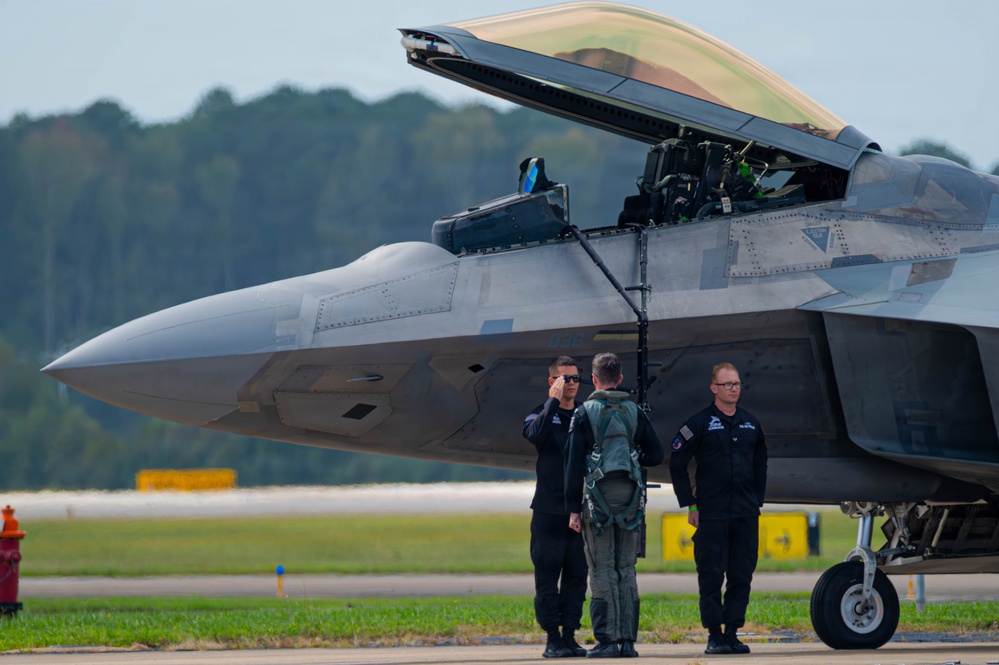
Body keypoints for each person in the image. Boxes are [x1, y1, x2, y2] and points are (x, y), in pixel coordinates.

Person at [564, 352, 664, 658]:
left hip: (598, 499)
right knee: (626, 568)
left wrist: (572, 507)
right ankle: (628, 642)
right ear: (619, 379)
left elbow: (571, 465)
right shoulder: (635, 412)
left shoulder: (584, 413)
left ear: (594, 379)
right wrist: (632, 459)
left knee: (602, 569)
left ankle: (606, 641)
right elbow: (656, 454)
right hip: (631, 498)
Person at [668, 363, 768, 655]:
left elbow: (761, 462)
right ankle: (714, 634)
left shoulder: (751, 423)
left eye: (736, 383)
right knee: (711, 576)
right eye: (727, 384)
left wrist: (756, 500)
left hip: (745, 514)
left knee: (741, 575)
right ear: (714, 388)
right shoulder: (699, 424)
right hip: (711, 515)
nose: (733, 388)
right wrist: (690, 503)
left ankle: (732, 632)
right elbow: (676, 463)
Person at [523, 356, 589, 658]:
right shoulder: (540, 415)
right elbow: (534, 436)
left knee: (577, 577)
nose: (572, 383)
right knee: (547, 577)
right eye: (566, 378)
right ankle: (551, 637)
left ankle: (569, 634)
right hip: (549, 511)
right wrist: (551, 404)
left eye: (576, 378)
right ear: (553, 382)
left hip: (579, 511)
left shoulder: (585, 415)